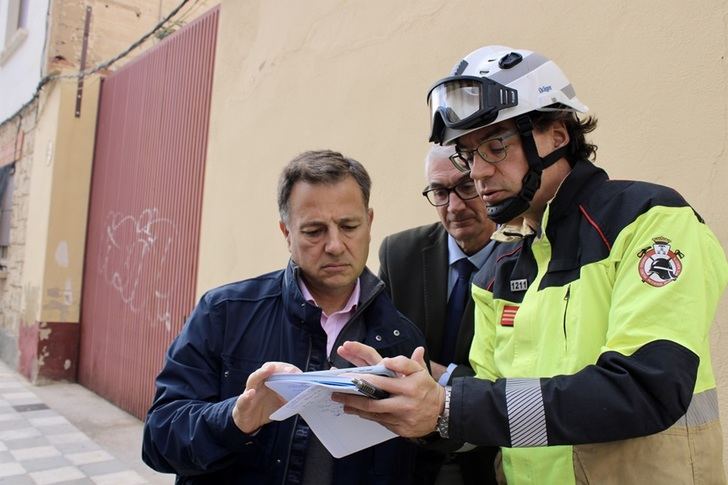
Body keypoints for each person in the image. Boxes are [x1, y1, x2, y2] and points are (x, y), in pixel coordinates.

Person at [334, 45, 728, 484]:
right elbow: (489, 404)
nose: (478, 171)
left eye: (495, 147)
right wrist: (417, 391)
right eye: (468, 153)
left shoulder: (649, 222)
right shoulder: (501, 265)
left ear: (557, 135)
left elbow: (645, 389)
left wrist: (449, 405)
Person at [142, 150, 425, 484]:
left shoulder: (400, 336)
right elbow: (158, 439)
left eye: (349, 226)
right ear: (286, 232)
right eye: (314, 231)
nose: (335, 245)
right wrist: (236, 418)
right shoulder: (224, 312)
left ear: (370, 222)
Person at [378, 145, 498, 485]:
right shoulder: (399, 253)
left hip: (490, 458)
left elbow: (517, 379)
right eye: (440, 192)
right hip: (408, 458)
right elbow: (382, 347)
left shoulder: (525, 255)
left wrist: (440, 376)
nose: (455, 206)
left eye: (465, 186)